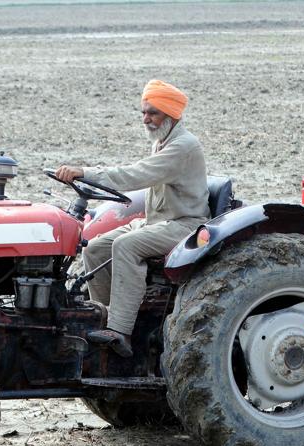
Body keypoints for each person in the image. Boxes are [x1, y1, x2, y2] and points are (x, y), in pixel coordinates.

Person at [56, 80, 209, 357]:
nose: (146, 119)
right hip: (157, 221)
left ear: (171, 115)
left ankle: (120, 331)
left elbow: (135, 175)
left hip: (184, 224)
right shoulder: (162, 141)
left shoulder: (183, 146)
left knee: (126, 246)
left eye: (153, 113)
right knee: (95, 247)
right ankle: (101, 316)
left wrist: (84, 172)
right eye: (143, 112)